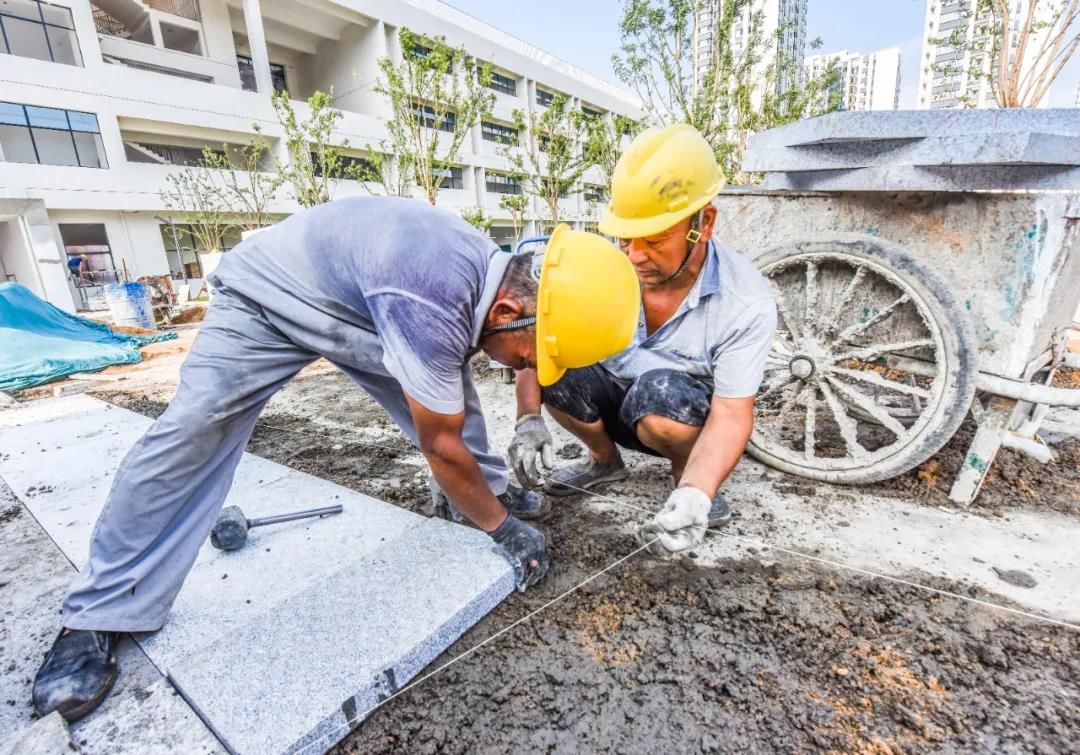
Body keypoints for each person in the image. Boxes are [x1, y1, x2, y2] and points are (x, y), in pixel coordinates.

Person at [31, 197, 639, 722]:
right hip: (268, 300)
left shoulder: (484, 280)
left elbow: (470, 386)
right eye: (528, 354)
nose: (523, 367)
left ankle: (487, 490)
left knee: (452, 392)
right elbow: (439, 443)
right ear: (507, 311)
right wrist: (503, 530)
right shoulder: (430, 294)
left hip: (360, 305)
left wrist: (522, 426)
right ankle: (101, 610)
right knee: (195, 428)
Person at [507, 124, 777, 560]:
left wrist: (699, 492)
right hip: (614, 401)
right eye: (625, 238)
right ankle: (604, 462)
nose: (633, 255)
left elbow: (731, 412)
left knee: (660, 392)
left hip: (673, 415)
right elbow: (535, 342)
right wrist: (527, 419)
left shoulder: (744, 301)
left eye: (653, 240)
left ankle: (685, 479)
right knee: (556, 370)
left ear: (702, 224)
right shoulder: (603, 270)